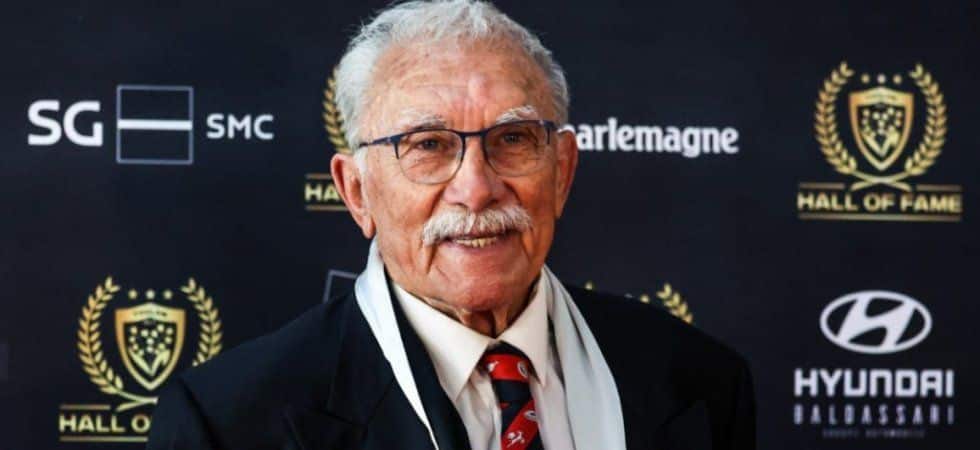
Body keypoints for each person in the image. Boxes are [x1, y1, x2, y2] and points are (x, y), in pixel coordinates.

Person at [147, 1, 755, 449]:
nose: (476, 188)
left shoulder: (700, 382)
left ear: (563, 172)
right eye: (428, 145)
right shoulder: (228, 424)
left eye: (512, 139)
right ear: (357, 193)